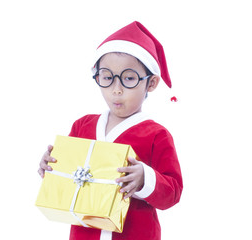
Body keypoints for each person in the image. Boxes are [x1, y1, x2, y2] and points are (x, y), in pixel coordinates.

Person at [37, 21, 183, 240]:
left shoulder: (156, 135)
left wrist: (146, 178)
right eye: (107, 77)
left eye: (129, 78)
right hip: (84, 233)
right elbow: (68, 179)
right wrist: (51, 168)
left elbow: (173, 193)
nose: (117, 90)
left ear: (151, 83)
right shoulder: (81, 126)